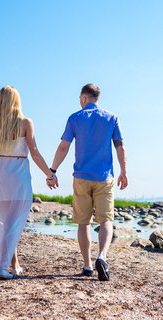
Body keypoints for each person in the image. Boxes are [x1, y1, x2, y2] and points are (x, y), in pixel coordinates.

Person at [48, 83, 128, 281]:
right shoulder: (112, 117)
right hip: (104, 177)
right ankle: (102, 256)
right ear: (97, 98)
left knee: (83, 223)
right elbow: (120, 147)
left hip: (81, 177)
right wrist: (124, 172)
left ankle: (87, 265)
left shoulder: (75, 118)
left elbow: (63, 147)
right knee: (106, 220)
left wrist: (53, 170)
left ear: (84, 98)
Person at [0, 86, 57, 279]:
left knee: (7, 221)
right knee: (12, 222)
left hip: (1, 173)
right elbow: (35, 153)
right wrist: (50, 174)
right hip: (19, 174)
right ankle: (3, 266)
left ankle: (14, 264)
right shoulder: (25, 122)